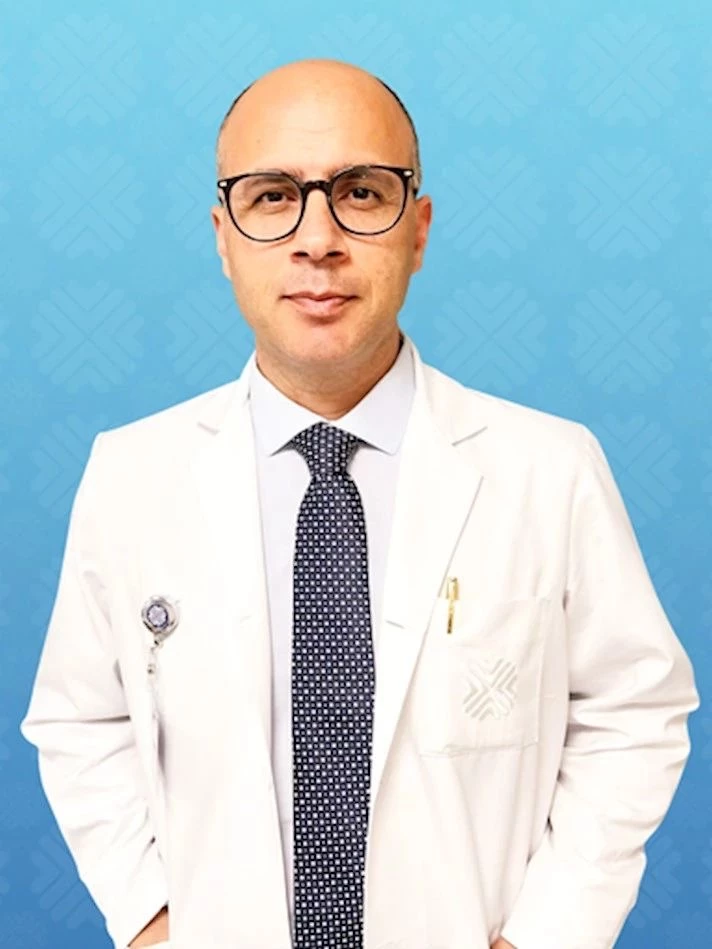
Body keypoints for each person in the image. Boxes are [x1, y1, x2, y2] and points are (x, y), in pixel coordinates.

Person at [19, 57, 699, 949]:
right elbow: (80, 718)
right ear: (223, 236)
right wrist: (148, 919)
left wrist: (550, 934)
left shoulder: (550, 468)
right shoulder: (131, 475)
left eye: (361, 193)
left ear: (418, 229)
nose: (318, 240)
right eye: (273, 197)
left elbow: (635, 710)